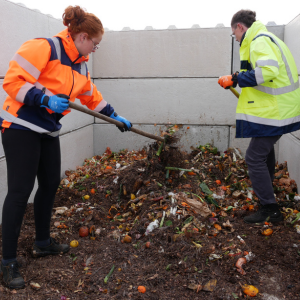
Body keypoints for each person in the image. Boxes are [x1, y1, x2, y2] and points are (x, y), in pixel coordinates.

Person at [0, 6, 132, 289]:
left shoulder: (80, 62)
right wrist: (44, 99)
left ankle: (42, 243)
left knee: (49, 185)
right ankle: (8, 261)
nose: (95, 49)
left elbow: (88, 94)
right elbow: (12, 82)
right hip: (20, 127)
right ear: (82, 36)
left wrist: (113, 115)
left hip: (47, 130)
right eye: (95, 43)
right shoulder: (44, 48)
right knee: (20, 192)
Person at [218, 10, 300, 224]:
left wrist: (235, 79)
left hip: (276, 111)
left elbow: (267, 72)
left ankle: (270, 209)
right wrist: (236, 78)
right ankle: (268, 195)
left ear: (239, 27)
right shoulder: (267, 39)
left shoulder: (258, 41)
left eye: (233, 33)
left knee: (254, 157)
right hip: (277, 110)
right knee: (264, 152)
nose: (235, 38)